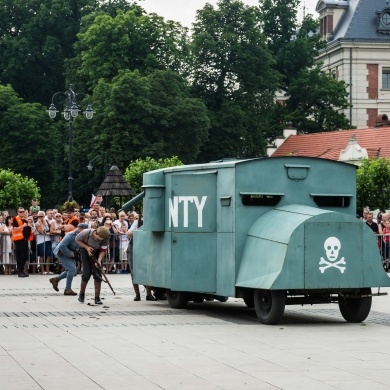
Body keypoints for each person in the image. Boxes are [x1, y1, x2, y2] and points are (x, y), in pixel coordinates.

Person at [50, 223, 89, 296]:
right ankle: (67, 289)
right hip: (62, 252)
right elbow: (62, 246)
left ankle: (56, 279)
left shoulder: (83, 235)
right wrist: (71, 254)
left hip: (70, 252)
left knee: (71, 271)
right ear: (79, 229)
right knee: (72, 269)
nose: (85, 232)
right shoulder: (70, 235)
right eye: (83, 230)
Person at [76, 226, 111, 304]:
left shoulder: (105, 238)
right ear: (97, 234)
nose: (101, 240)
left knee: (98, 274)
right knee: (86, 273)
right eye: (101, 238)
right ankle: (81, 294)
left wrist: (98, 261)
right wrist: (87, 247)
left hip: (97, 252)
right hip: (85, 251)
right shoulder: (86, 233)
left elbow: (103, 250)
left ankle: (97, 297)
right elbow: (77, 240)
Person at [126, 215, 156, 301]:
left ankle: (149, 294)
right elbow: (128, 234)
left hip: (145, 248)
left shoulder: (152, 223)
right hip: (133, 247)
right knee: (133, 271)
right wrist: (138, 232)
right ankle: (137, 295)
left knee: (148, 271)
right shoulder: (137, 222)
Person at [12, 207, 33, 277]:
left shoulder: (26, 220)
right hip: (19, 240)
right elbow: (14, 229)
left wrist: (30, 227)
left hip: (25, 240)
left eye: (23, 211)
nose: (22, 213)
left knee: (25, 256)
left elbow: (28, 230)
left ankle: (22, 270)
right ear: (18, 212)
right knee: (20, 256)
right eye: (20, 212)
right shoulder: (15, 219)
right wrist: (23, 226)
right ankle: (20, 271)